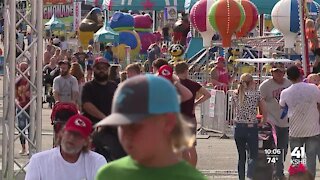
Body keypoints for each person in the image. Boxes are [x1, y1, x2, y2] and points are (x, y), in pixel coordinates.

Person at [95, 75, 207, 180]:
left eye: (134, 127)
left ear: (168, 122)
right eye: (121, 126)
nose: (126, 136)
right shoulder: (109, 174)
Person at [25, 114, 107, 180]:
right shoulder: (39, 161)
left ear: (86, 141)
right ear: (61, 133)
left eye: (77, 135)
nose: (71, 138)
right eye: (69, 133)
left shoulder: (97, 161)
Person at [81, 57, 126, 161]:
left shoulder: (113, 86)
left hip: (112, 126)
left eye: (104, 68)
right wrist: (104, 119)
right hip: (93, 125)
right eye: (99, 68)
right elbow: (87, 105)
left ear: (108, 69)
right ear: (94, 69)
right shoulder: (88, 86)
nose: (102, 70)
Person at [279, 65, 320, 178]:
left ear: (289, 78)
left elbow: (282, 106)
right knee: (311, 159)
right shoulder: (313, 88)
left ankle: (297, 178)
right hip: (313, 129)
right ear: (301, 75)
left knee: (296, 160)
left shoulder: (285, 92)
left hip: (295, 130)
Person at [259, 62, 291, 180]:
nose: (279, 74)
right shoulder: (265, 85)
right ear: (272, 72)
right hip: (271, 121)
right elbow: (260, 101)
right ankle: (273, 172)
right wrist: (263, 117)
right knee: (273, 147)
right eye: (276, 72)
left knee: (283, 148)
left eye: (281, 72)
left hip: (286, 121)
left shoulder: (288, 84)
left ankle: (279, 170)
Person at [231, 73, 267, 180]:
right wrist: (263, 122)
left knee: (241, 157)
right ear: (251, 82)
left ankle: (241, 178)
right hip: (251, 126)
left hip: (239, 127)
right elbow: (265, 111)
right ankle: (250, 175)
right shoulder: (256, 94)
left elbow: (234, 109)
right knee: (253, 155)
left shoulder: (235, 94)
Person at [174, 62, 211, 167]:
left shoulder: (174, 85)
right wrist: (196, 103)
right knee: (191, 147)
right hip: (190, 117)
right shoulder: (193, 84)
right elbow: (207, 94)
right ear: (186, 71)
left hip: (177, 117)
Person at [15, 62, 30, 155]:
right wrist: (17, 102)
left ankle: (30, 147)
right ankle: (23, 147)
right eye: (22, 68)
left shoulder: (31, 80)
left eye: (25, 68)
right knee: (21, 128)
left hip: (30, 106)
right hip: (20, 106)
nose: (24, 70)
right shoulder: (17, 81)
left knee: (31, 128)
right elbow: (14, 94)